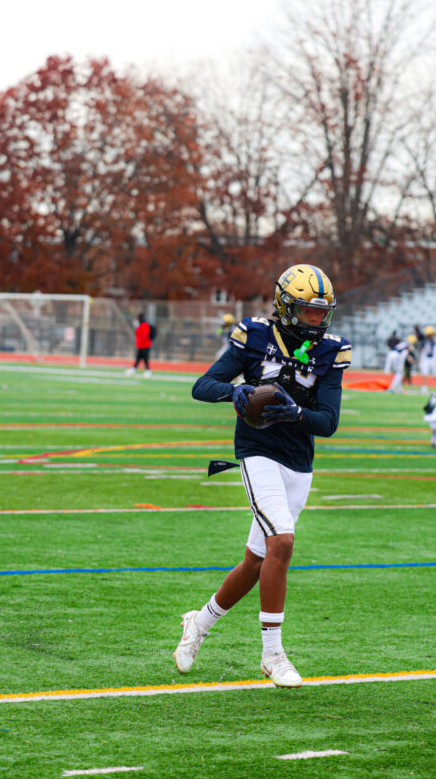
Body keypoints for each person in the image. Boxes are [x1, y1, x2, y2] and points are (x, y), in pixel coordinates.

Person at [174, 263, 351, 689]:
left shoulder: (331, 350)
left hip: (299, 464)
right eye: (308, 310)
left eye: (322, 311)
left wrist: (297, 413)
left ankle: (199, 622)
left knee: (257, 560)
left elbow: (328, 422)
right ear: (286, 307)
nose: (317, 319)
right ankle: (273, 654)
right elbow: (203, 385)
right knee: (282, 542)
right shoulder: (254, 335)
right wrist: (232, 390)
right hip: (257, 452)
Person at [126, 313, 154, 378]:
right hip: (141, 345)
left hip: (145, 345)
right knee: (138, 358)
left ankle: (148, 371)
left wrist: (141, 343)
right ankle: (134, 369)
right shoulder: (140, 325)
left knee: (145, 359)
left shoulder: (144, 325)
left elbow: (145, 335)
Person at [418, 325, 436, 393]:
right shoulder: (424, 341)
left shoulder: (435, 341)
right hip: (426, 359)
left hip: (432, 359)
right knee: (424, 374)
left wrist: (435, 361)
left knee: (435, 375)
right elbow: (422, 350)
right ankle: (424, 387)